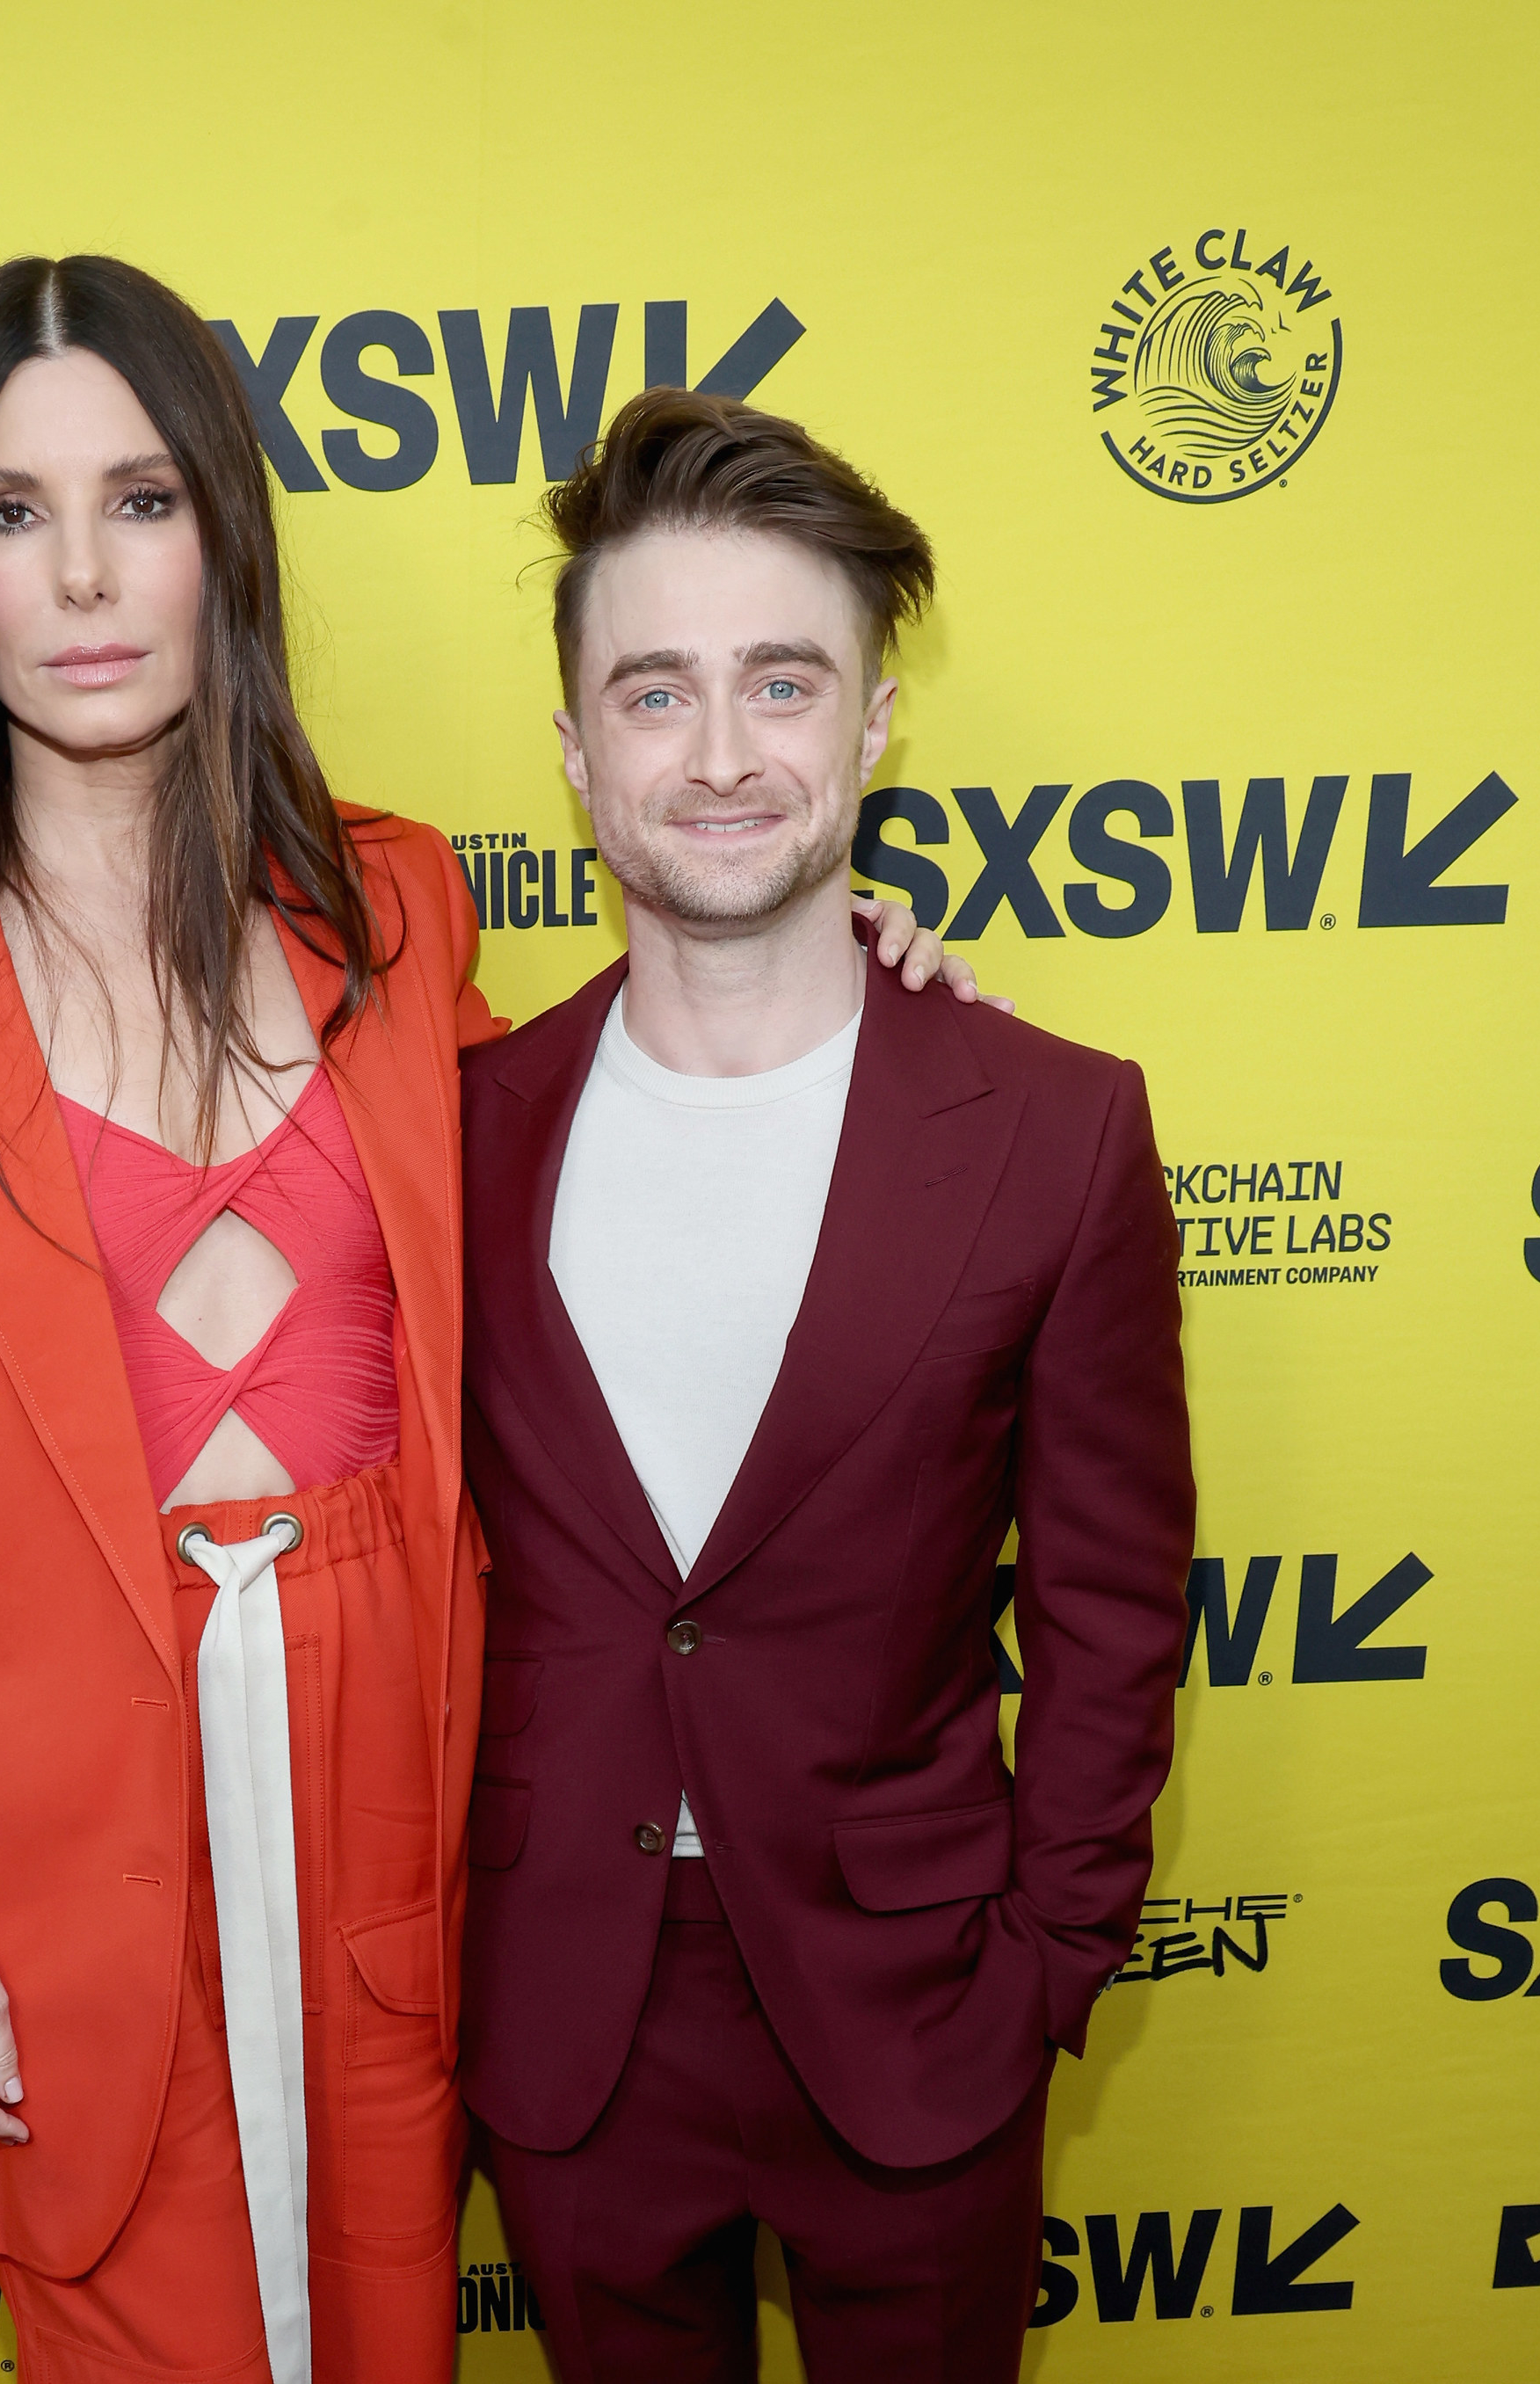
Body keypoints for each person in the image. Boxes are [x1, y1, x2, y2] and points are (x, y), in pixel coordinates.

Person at [0, 255, 977, 2384]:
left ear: (227, 541)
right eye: (12, 516)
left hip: (407, 1770)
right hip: (69, 1823)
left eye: (147, 501)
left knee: (388, 2325)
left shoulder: (388, 904)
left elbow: (588, 1149)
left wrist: (832, 987)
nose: (86, 578)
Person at [457, 389, 1196, 2384]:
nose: (718, 758)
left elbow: (1120, 1604)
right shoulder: (447, 1130)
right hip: (565, 2006)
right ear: (575, 746)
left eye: (781, 685)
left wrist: (1047, 1959)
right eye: (655, 692)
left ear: (873, 722)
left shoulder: (1056, 1129)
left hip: (922, 2002)